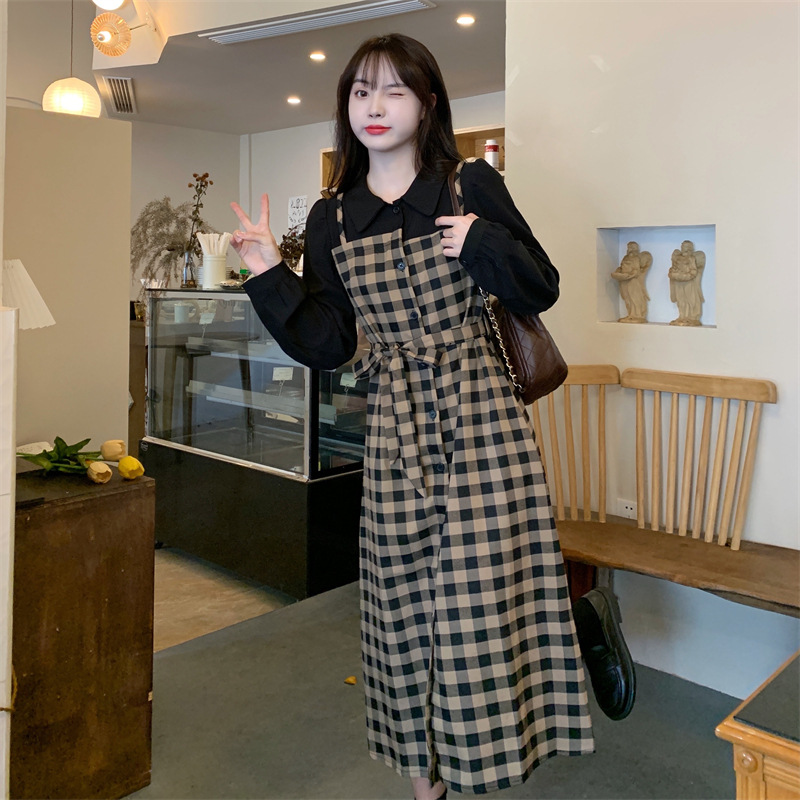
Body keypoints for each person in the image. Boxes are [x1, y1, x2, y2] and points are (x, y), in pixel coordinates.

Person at [231, 34, 631, 799]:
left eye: (395, 90)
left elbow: (540, 286)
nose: (375, 106)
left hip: (482, 414)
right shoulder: (334, 218)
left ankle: (559, 646)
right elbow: (330, 343)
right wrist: (266, 271)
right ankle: (427, 782)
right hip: (394, 423)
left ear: (428, 103)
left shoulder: (467, 184)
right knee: (401, 606)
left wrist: (481, 240)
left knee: (481, 598)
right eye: (361, 92)